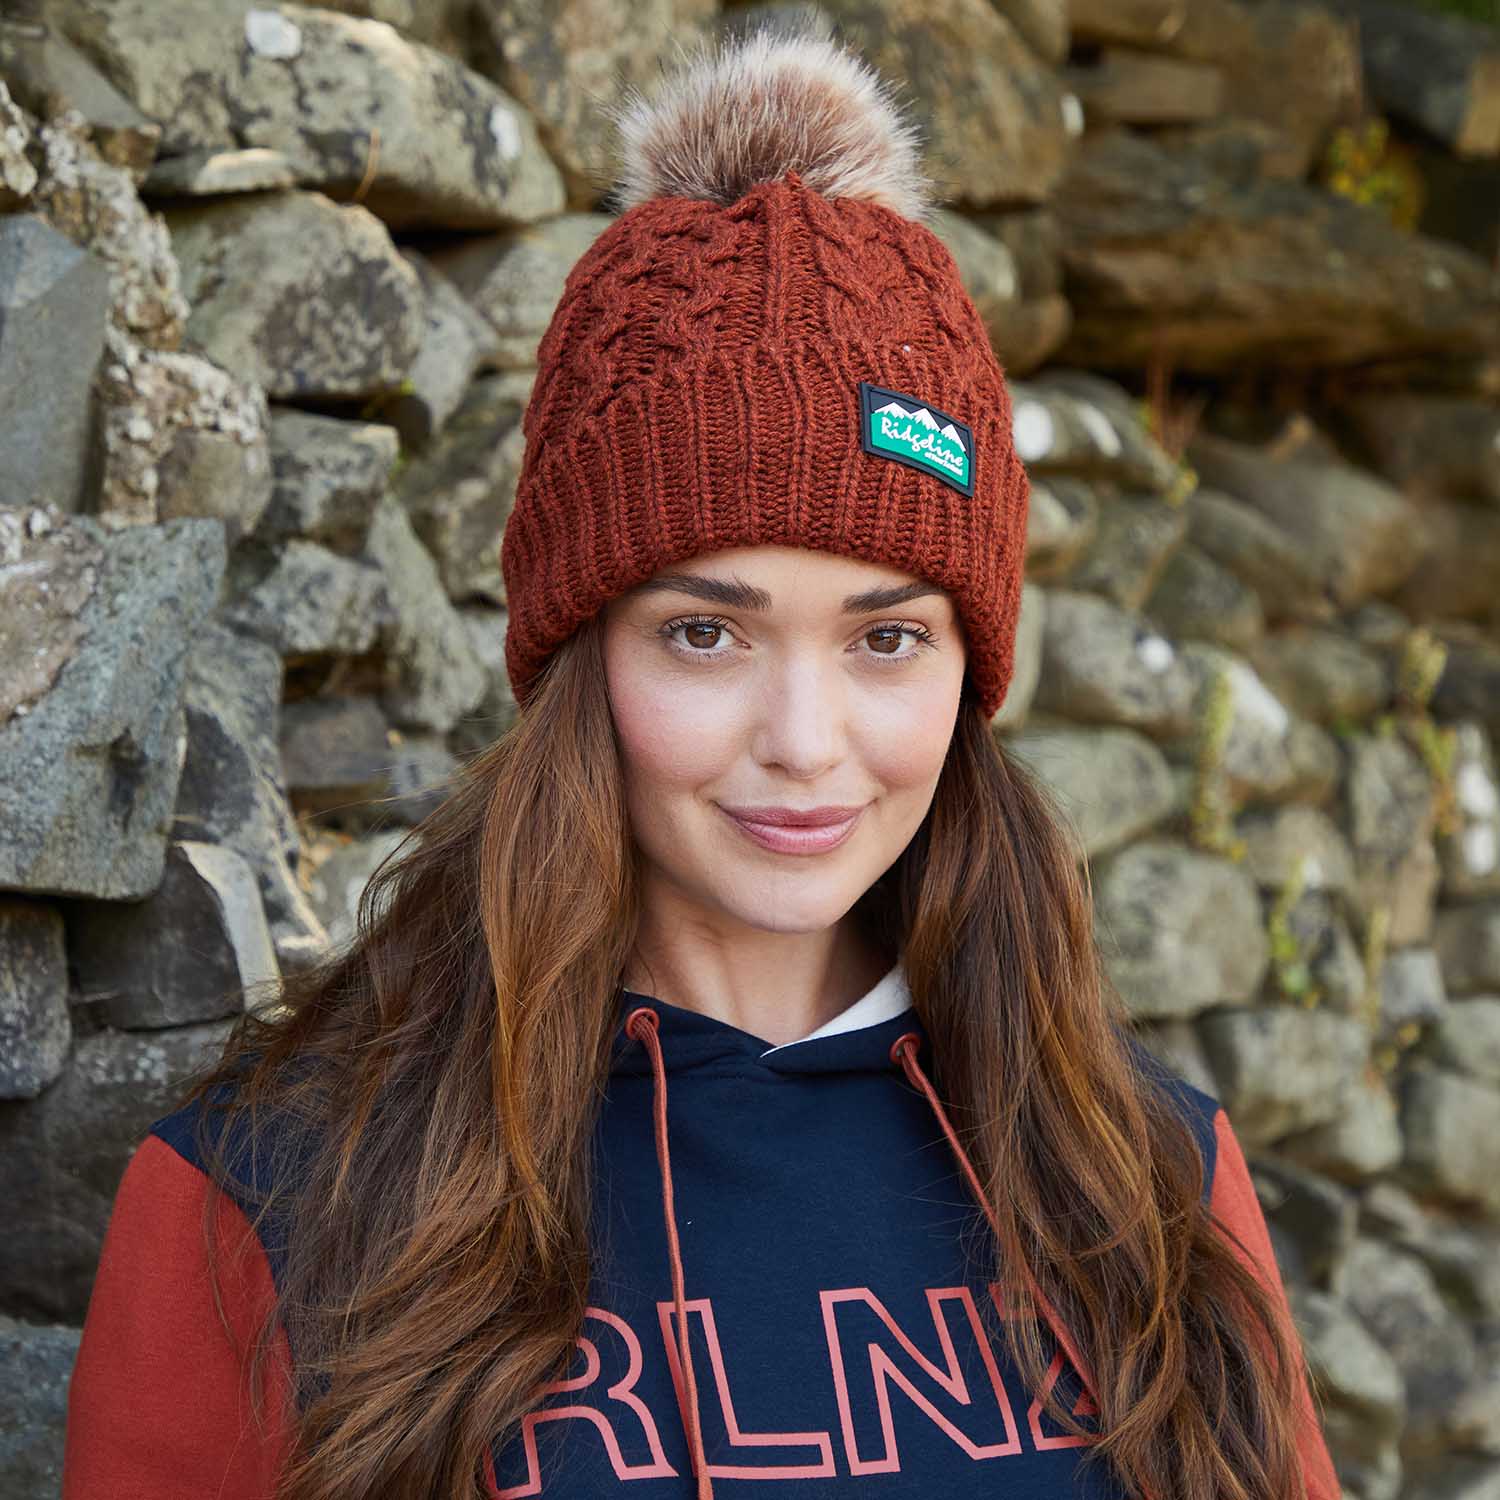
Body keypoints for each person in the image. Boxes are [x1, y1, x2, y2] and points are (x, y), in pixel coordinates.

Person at [61, 19, 1341, 1500]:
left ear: (970, 670)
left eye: (885, 640)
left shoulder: (1148, 1178)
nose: (806, 747)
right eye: (705, 636)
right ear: (578, 652)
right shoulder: (272, 1198)